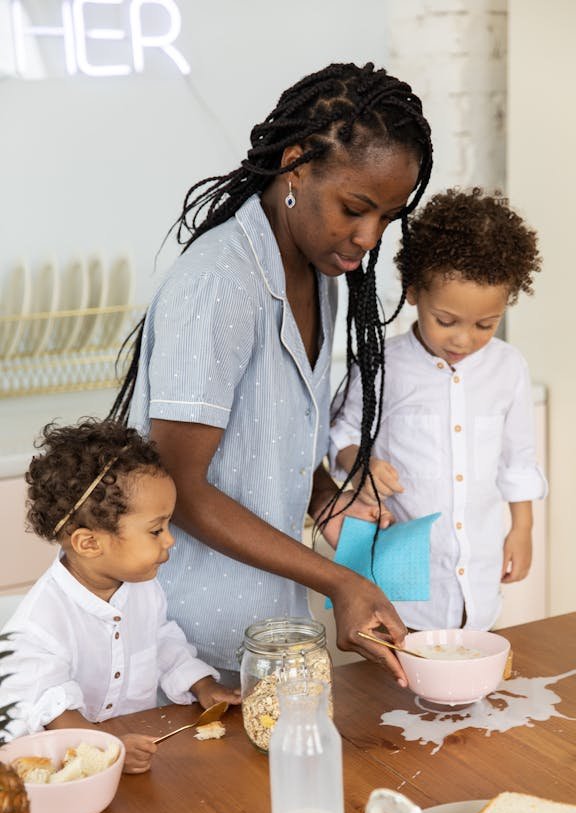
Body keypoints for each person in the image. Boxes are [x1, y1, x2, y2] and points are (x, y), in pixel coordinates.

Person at [109, 62, 434, 684]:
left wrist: (327, 499)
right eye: (355, 208)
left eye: (388, 218)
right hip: (184, 651)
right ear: (295, 166)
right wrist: (339, 581)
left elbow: (272, 447)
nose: (369, 237)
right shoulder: (219, 286)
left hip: (268, 634)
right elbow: (177, 486)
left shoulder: (318, 270)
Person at [330, 187, 548, 631]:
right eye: (446, 321)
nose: (464, 339)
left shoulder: (508, 367)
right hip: (403, 582)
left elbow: (518, 460)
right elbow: (340, 434)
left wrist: (522, 528)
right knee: (401, 667)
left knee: (471, 658)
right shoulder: (382, 363)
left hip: (478, 576)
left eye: (486, 324)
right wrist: (359, 462)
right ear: (413, 291)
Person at [0, 420, 240, 774]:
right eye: (156, 530)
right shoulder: (40, 624)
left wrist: (202, 685)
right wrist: (107, 750)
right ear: (89, 543)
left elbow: (161, 641)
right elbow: (51, 709)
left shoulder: (144, 589)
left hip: (133, 749)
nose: (170, 540)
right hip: (71, 769)